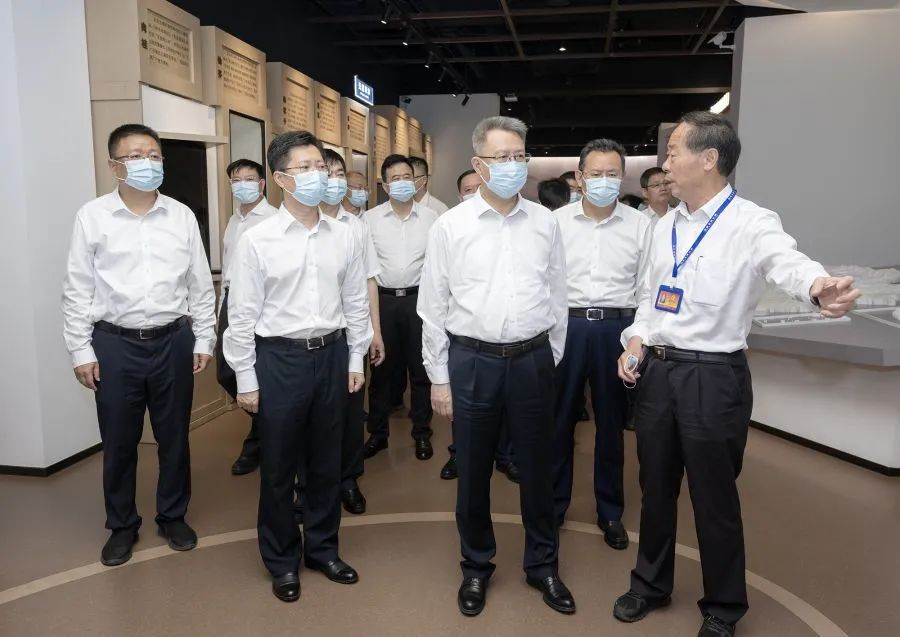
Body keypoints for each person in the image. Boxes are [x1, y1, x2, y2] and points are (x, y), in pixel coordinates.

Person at [613, 111, 860, 637]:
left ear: (709, 158)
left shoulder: (752, 222)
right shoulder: (663, 227)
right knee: (655, 489)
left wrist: (818, 287)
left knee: (714, 498)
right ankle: (649, 585)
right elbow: (649, 300)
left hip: (713, 379)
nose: (664, 164)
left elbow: (787, 263)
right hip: (657, 374)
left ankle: (723, 608)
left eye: (674, 152)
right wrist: (635, 339)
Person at [419, 116, 576, 617]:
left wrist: (551, 354)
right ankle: (476, 566)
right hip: (472, 360)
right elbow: (433, 306)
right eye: (501, 157)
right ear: (478, 164)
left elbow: (558, 292)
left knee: (537, 468)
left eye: (518, 157)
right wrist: (439, 377)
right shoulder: (451, 226)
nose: (512, 166)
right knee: (472, 470)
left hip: (532, 359)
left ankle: (543, 565)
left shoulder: (545, 222)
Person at [223, 130, 372, 603]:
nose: (318, 176)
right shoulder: (257, 239)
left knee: (327, 462)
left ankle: (323, 549)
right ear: (281, 178)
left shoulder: (344, 235)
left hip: (332, 355)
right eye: (305, 168)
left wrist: (355, 357)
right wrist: (246, 377)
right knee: (279, 466)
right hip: (279, 359)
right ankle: (282, 560)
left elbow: (355, 301)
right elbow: (242, 315)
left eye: (321, 167)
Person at [62, 123, 216, 567]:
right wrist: (80, 350)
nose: (146, 162)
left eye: (153, 155)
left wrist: (204, 336)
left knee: (174, 437)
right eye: (134, 155)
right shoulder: (92, 216)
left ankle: (172, 516)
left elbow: (199, 283)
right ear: (114, 165)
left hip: (174, 339)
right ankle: (122, 525)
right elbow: (77, 287)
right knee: (119, 441)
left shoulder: (181, 216)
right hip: (114, 343)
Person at [551, 139, 651, 552]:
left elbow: (648, 289)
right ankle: (553, 506)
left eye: (613, 174)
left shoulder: (641, 225)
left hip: (618, 330)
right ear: (579, 177)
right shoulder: (555, 222)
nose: (604, 181)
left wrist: (637, 340)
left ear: (623, 177)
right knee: (558, 422)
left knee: (612, 425)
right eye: (596, 174)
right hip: (567, 327)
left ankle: (610, 511)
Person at [312, 148, 386, 514]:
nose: (334, 179)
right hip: (308, 337)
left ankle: (348, 478)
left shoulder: (356, 226)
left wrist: (375, 332)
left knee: (350, 409)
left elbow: (369, 280)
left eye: (339, 173)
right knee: (309, 415)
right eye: (326, 172)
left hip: (348, 335)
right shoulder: (295, 224)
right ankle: (309, 482)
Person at [439, 169, 520, 484]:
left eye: (478, 187)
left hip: (510, 337)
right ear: (459, 195)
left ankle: (505, 455)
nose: (473, 193)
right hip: (468, 340)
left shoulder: (512, 228)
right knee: (466, 409)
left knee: (508, 406)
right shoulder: (452, 227)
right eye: (467, 189)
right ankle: (460, 453)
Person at [363, 155, 439, 461]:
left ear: (417, 181)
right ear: (384, 185)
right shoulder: (369, 220)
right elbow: (366, 272)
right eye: (395, 178)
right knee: (381, 371)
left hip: (419, 301)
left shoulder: (432, 218)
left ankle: (422, 433)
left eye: (407, 176)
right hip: (383, 301)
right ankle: (377, 434)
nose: (403, 182)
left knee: (420, 370)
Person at [218, 158, 277, 476]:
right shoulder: (233, 221)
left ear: (262, 184)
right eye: (236, 180)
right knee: (226, 372)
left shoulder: (273, 220)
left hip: (260, 303)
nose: (242, 184)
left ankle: (259, 442)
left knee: (258, 371)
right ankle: (269, 425)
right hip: (231, 302)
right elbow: (228, 268)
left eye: (249, 179)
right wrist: (221, 308)